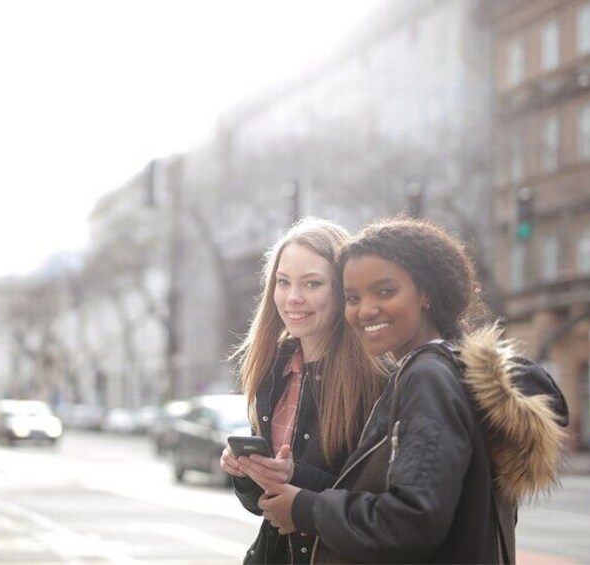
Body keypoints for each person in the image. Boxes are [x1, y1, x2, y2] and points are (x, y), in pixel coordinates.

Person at [259, 216, 569, 564]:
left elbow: (413, 518)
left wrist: (306, 509)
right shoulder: (448, 369)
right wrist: (296, 483)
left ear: (426, 293)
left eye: (385, 291)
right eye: (353, 297)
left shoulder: (428, 377)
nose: (366, 310)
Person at [220, 217, 385, 564]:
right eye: (283, 282)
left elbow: (381, 507)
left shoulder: (378, 377)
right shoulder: (271, 367)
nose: (293, 298)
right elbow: (262, 507)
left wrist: (295, 477)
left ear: (343, 291)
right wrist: (247, 471)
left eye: (312, 284)